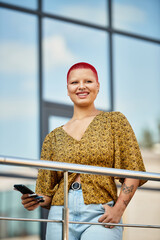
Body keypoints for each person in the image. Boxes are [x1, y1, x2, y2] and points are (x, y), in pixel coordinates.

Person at [21, 62, 147, 240]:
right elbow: (46, 193)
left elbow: (133, 170)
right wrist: (34, 200)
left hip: (101, 212)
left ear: (97, 86)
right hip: (60, 213)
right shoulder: (53, 137)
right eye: (74, 82)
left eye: (88, 81)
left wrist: (119, 209)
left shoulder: (114, 121)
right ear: (67, 89)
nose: (81, 86)